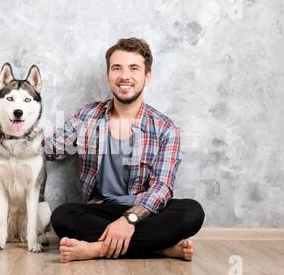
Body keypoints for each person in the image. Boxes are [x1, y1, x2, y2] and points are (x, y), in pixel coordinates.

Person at [45, 38, 205, 262]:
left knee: (191, 213)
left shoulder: (165, 128)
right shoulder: (87, 117)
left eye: (134, 68)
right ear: (108, 75)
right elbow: (48, 149)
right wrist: (13, 128)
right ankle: (159, 249)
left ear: (147, 76)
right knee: (62, 217)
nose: (124, 76)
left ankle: (96, 249)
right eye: (117, 68)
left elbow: (162, 187)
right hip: (101, 210)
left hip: (145, 212)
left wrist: (128, 220)